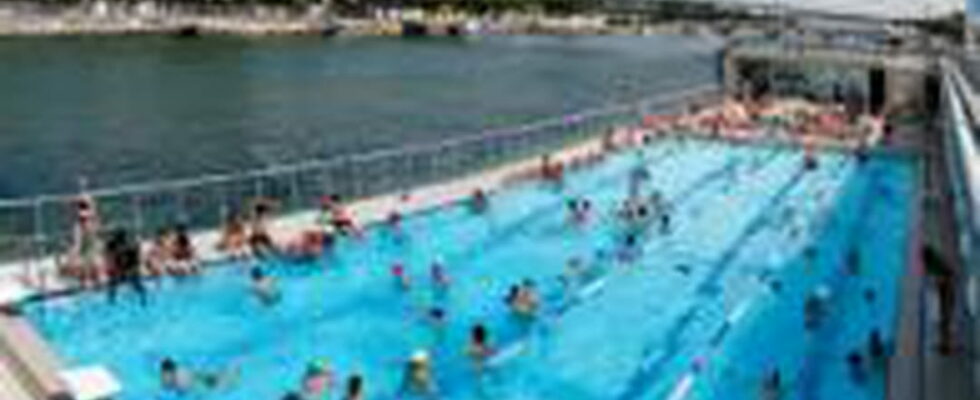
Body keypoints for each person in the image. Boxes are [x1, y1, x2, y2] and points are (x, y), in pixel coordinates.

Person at [105, 229, 147, 305]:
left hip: (130, 269)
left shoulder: (129, 246)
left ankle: (143, 298)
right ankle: (111, 300)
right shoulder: (114, 245)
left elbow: (136, 261)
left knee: (136, 284)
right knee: (113, 283)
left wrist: (128, 271)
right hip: (123, 269)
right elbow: (109, 254)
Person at [160, 357, 238, 393]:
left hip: (203, 382)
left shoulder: (181, 377)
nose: (164, 377)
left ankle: (233, 367)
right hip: (202, 379)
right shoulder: (176, 374)